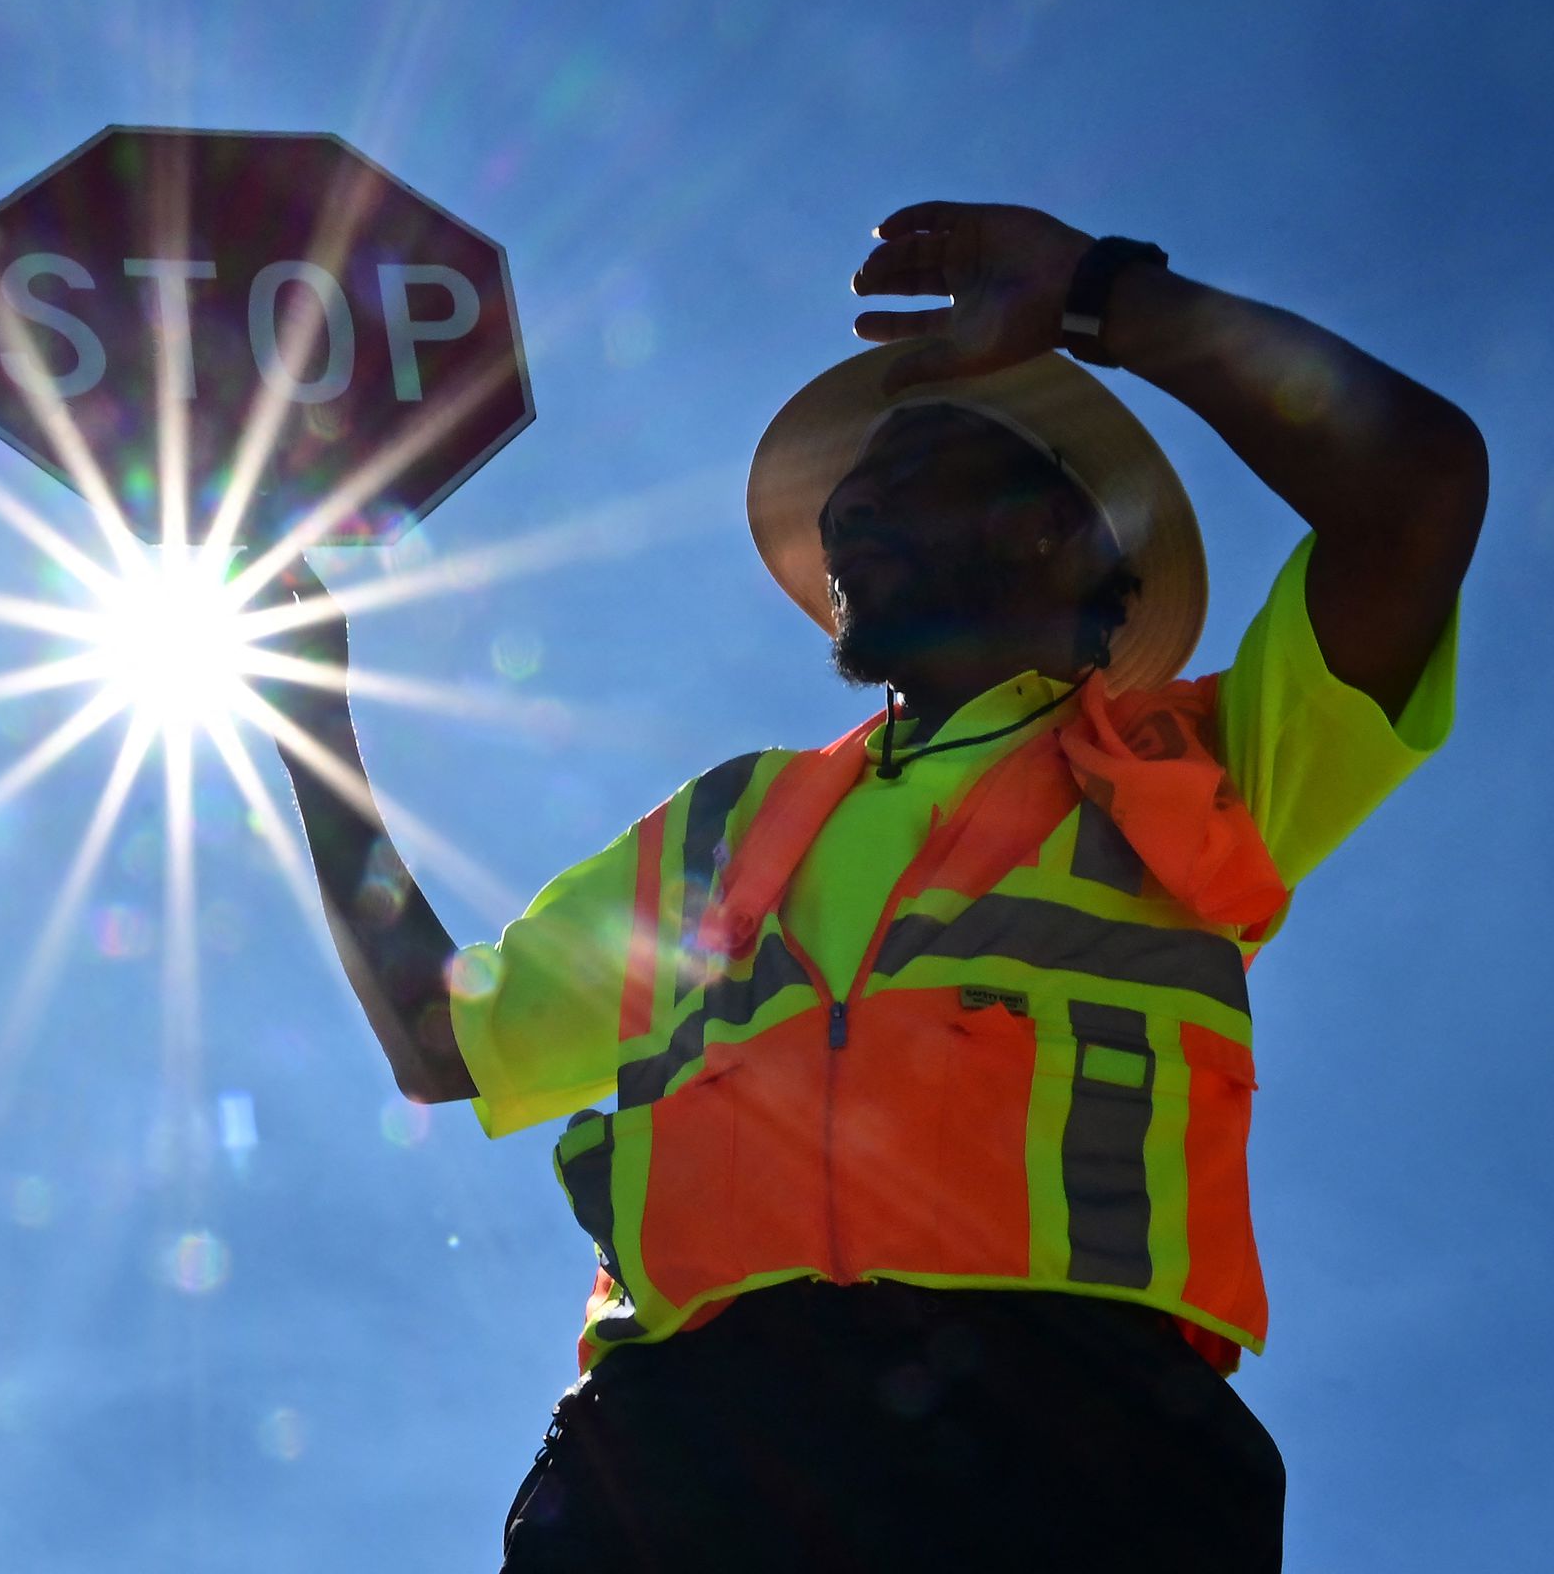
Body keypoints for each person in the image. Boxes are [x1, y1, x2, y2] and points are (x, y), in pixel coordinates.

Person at [259, 201, 1484, 1571]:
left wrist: (1099, 296)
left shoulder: (1200, 765)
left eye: (908, 471)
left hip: (1073, 1458)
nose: (845, 511)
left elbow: (1416, 488)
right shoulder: (721, 824)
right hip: (676, 1463)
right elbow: (448, 1043)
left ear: (1059, 536)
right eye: (853, 494)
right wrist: (313, 727)